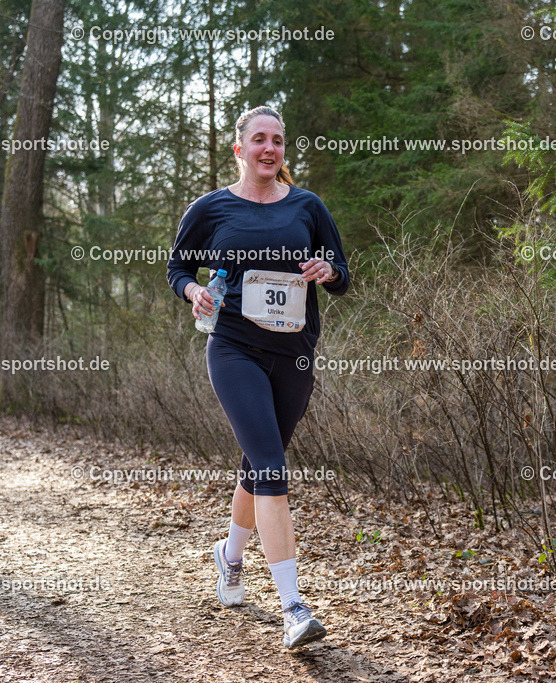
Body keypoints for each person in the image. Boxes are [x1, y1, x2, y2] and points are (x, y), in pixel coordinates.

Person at [166, 105, 349, 649]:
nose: (269, 149)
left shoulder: (307, 206)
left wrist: (327, 270)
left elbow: (340, 275)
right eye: (259, 140)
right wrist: (191, 291)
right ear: (240, 148)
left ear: (283, 150)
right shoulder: (213, 208)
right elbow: (178, 267)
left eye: (278, 141)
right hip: (234, 349)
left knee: (257, 461)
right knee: (273, 466)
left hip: (294, 353)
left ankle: (229, 555)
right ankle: (293, 607)